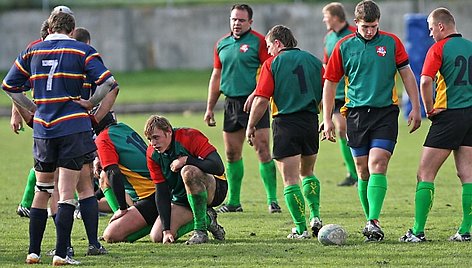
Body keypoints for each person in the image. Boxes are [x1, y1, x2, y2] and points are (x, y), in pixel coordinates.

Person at [2, 12, 117, 265]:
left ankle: (33, 252)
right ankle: (62, 254)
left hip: (44, 131)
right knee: (66, 193)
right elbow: (108, 82)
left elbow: (9, 86)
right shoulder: (81, 50)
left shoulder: (32, 51)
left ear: (49, 27)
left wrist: (32, 107)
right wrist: (90, 102)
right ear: (72, 28)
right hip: (72, 129)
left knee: (42, 191)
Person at [322, 0, 422, 242]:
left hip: (385, 112)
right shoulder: (343, 45)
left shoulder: (391, 42)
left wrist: (416, 107)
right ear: (356, 23)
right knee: (362, 171)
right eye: (366, 27)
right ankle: (370, 222)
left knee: (378, 163)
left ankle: (373, 221)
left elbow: (406, 73)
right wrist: (326, 119)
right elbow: (330, 83)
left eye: (374, 26)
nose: (370, 31)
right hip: (355, 114)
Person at [400, 7, 472, 243]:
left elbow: (425, 81)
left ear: (441, 26)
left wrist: (429, 109)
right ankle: (465, 230)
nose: (430, 34)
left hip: (449, 116)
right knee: (467, 175)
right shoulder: (470, 46)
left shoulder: (439, 48)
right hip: (470, 115)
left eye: (431, 28)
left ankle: (417, 232)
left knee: (425, 173)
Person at [246, 25, 324, 239]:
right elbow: (328, 89)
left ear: (278, 43)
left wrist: (251, 124)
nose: (269, 50)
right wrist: (326, 118)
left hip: (286, 123)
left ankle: (300, 229)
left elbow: (261, 99)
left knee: (290, 179)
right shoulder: (314, 62)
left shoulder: (271, 64)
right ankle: (315, 216)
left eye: (269, 46)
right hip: (310, 122)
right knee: (307, 172)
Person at [204, 4, 280, 213]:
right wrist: (210, 107)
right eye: (234, 19)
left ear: (250, 22)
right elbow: (216, 76)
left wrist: (257, 93)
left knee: (263, 150)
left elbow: (269, 70)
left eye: (241, 20)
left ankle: (272, 200)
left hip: (256, 102)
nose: (236, 24)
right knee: (231, 153)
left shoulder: (258, 42)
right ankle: (234, 202)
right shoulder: (222, 44)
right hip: (231, 104)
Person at [144, 115, 227, 244]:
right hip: (182, 197)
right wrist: (166, 231)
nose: (153, 143)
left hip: (215, 188)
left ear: (169, 132)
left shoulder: (189, 136)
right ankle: (208, 219)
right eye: (150, 139)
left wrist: (186, 160)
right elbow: (161, 191)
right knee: (157, 237)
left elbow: (218, 167)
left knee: (188, 171)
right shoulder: (152, 154)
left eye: (156, 137)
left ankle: (200, 231)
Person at [93, 111, 158, 243]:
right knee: (103, 175)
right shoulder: (122, 128)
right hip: (155, 188)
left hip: (151, 195)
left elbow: (114, 173)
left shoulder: (103, 138)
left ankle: (153, 223)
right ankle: (126, 220)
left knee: (111, 236)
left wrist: (123, 208)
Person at [322, 2, 358, 187]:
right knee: (341, 129)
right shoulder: (329, 38)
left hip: (352, 92)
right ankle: (352, 173)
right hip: (336, 94)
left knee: (353, 131)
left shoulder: (354, 35)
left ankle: (361, 169)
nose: (324, 20)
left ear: (336, 17)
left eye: (326, 16)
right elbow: (326, 66)